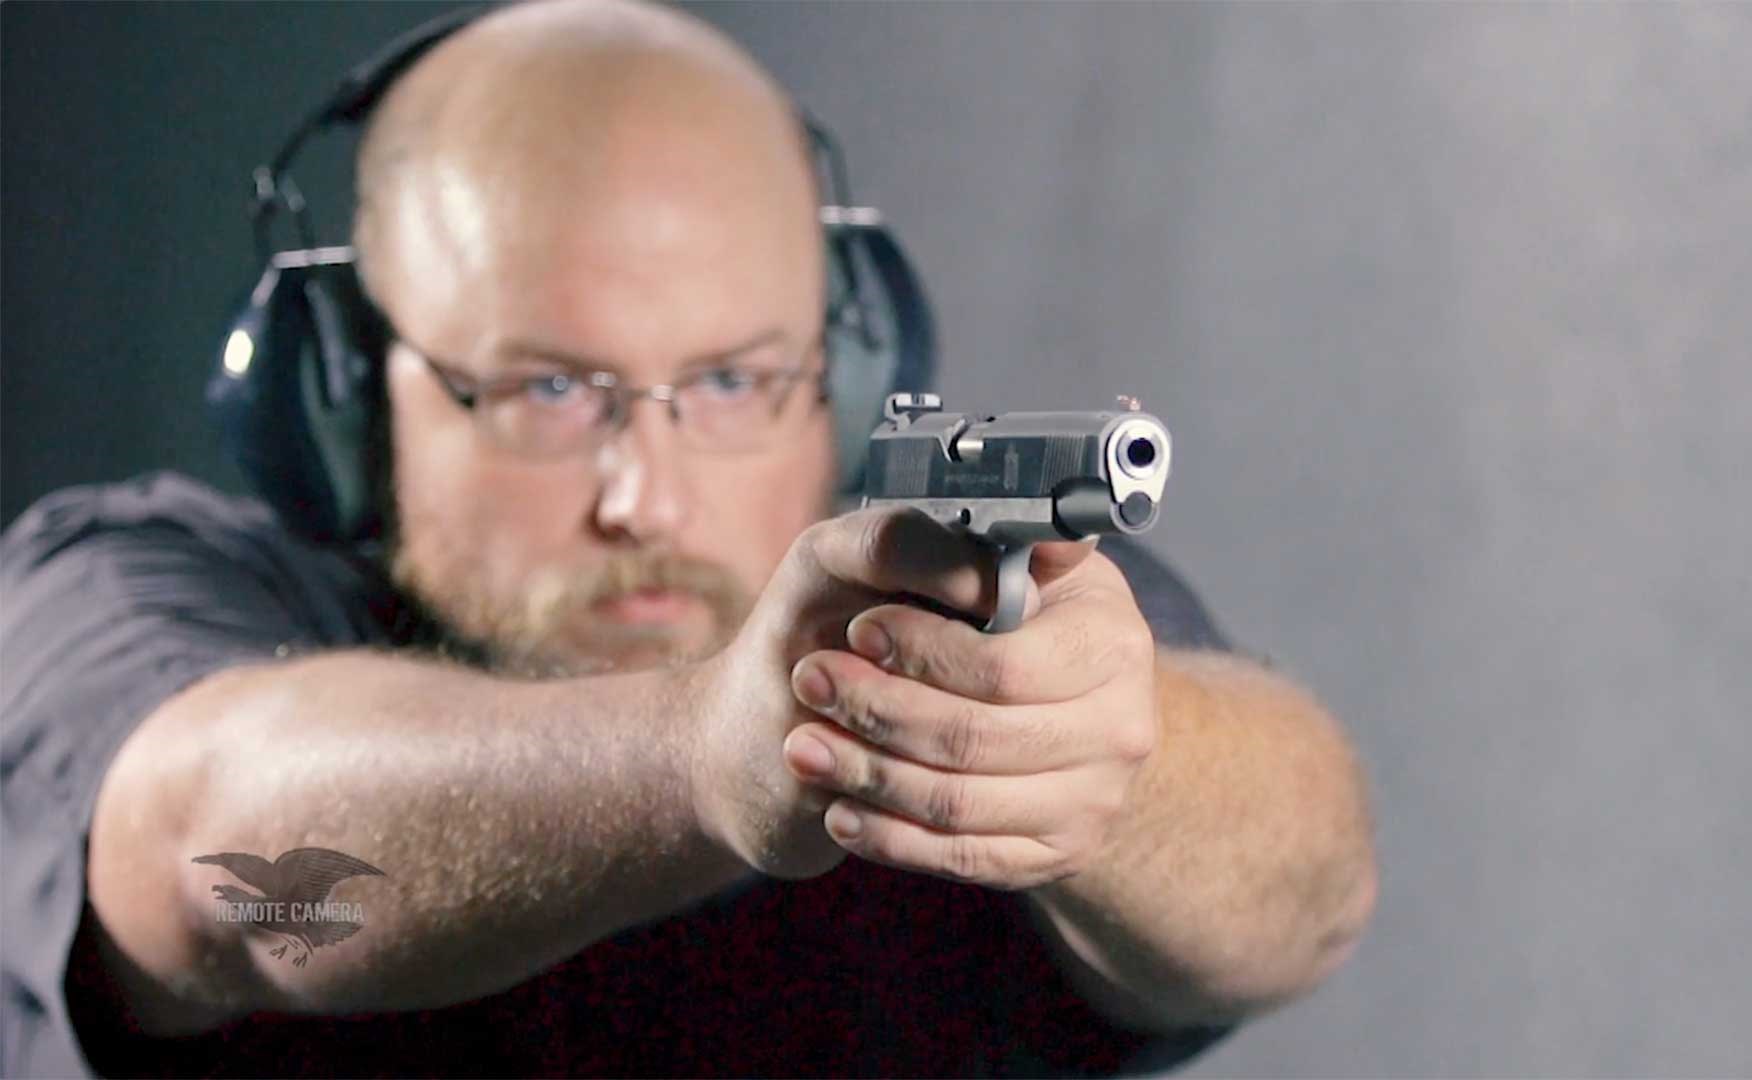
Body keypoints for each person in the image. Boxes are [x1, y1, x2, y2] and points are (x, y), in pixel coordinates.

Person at [0, 1, 1377, 1075]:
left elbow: (1307, 887)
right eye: (548, 390)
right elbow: (212, 856)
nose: (644, 499)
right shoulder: (130, 592)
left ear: (839, 374)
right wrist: (700, 755)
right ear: (347, 393)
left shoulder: (950, 605)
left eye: (730, 383)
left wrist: (1095, 771)